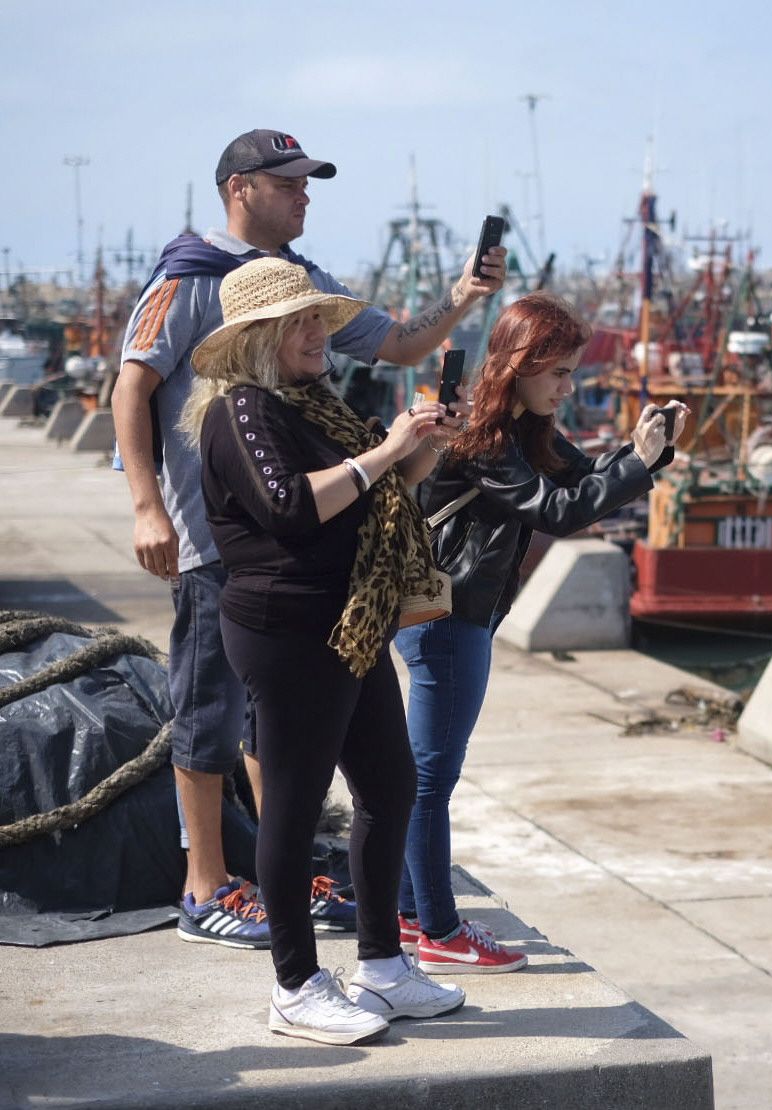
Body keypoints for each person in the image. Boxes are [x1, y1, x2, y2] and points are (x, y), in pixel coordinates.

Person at [112, 129, 505, 947]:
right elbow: (131, 387)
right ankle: (204, 885)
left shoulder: (302, 282)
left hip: (299, 546)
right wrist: (148, 508)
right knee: (208, 707)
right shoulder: (187, 277)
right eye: (288, 183)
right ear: (240, 188)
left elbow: (398, 343)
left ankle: (273, 874)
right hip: (214, 535)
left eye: (307, 183)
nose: (305, 196)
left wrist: (466, 294)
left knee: (276, 724)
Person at [183, 255, 465, 1045]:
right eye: (301, 323)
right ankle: (296, 985)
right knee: (295, 803)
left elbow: (385, 487)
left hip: (349, 621)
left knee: (389, 785)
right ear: (259, 338)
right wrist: (384, 454)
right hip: (287, 629)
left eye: (319, 320)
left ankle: (382, 966)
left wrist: (425, 443)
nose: (318, 334)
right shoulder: (239, 409)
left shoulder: (313, 403)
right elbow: (289, 507)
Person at [395, 291, 685, 972]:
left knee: (426, 775)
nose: (567, 386)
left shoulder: (524, 430)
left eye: (571, 372)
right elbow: (555, 511)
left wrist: (647, 452)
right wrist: (637, 465)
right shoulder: (487, 437)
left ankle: (410, 914)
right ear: (521, 364)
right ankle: (439, 931)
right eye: (558, 372)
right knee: (431, 779)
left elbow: (582, 480)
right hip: (448, 618)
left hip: (458, 615)